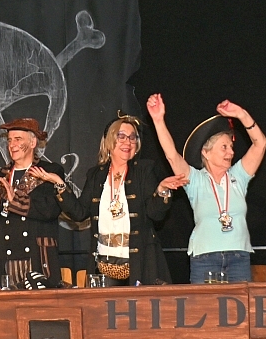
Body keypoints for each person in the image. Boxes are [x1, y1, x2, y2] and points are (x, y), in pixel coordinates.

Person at [147, 94, 266, 284]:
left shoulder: (239, 176)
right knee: (205, 304)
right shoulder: (195, 180)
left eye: (231, 147)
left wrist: (241, 114)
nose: (231, 152)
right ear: (206, 152)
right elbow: (171, 155)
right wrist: (158, 120)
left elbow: (261, 143)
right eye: (224, 147)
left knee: (240, 305)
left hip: (239, 259)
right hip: (205, 259)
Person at [41, 113, 172, 286]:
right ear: (109, 141)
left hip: (140, 264)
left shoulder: (144, 170)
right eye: (121, 136)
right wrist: (59, 184)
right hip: (104, 266)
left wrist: (162, 191)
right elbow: (79, 213)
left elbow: (155, 214)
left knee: (138, 305)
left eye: (132, 137)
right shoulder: (96, 175)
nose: (128, 142)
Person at [0, 118, 65, 286]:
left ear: (33, 142)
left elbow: (50, 209)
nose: (12, 145)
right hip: (6, 262)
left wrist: (15, 200)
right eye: (9, 140)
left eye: (18, 139)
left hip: (38, 259)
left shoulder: (49, 172)